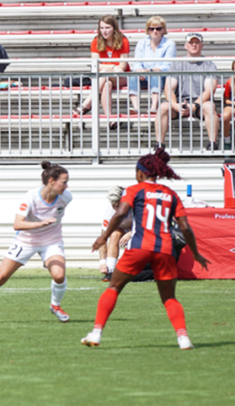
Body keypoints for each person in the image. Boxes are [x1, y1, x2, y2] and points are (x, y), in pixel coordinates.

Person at [83, 149, 210, 350]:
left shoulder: (134, 190)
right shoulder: (170, 194)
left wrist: (104, 237)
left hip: (140, 246)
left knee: (114, 287)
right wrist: (196, 254)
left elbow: (120, 213)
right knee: (169, 297)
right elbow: (185, 227)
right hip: (165, 249)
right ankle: (183, 338)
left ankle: (96, 332)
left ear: (141, 172)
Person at [0, 162, 71, 322]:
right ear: (51, 181)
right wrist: (39, 223)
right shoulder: (31, 197)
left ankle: (55, 305)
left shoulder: (66, 197)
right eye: (64, 182)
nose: (66, 186)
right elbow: (17, 224)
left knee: (59, 276)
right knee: (0, 277)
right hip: (26, 241)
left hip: (52, 241)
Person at [155, 32, 217, 151]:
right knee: (163, 107)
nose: (194, 45)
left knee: (209, 106)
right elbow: (168, 88)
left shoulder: (209, 65)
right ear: (185, 45)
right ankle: (159, 144)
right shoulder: (177, 64)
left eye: (197, 42)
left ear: (202, 45)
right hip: (179, 102)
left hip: (200, 104)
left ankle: (212, 143)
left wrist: (194, 106)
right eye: (191, 42)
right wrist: (175, 105)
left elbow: (209, 90)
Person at [75, 15, 130, 119]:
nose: (104, 31)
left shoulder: (123, 40)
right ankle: (110, 118)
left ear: (114, 28)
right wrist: (113, 66)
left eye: (108, 28)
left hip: (121, 77)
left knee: (104, 73)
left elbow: (122, 66)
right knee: (107, 84)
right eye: (102, 28)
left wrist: (107, 68)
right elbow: (96, 65)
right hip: (104, 77)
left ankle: (86, 103)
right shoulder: (96, 41)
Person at [128, 15, 176, 114]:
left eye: (158, 28)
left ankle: (154, 106)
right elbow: (137, 62)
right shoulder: (141, 43)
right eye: (151, 28)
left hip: (161, 76)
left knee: (155, 75)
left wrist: (149, 70)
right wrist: (139, 71)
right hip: (144, 75)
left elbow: (168, 66)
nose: (155, 31)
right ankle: (135, 107)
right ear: (148, 30)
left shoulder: (170, 44)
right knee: (132, 76)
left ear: (163, 30)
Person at [97, 185, 132, 282]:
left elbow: (146, 225)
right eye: (114, 205)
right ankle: (110, 270)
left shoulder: (135, 207)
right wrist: (102, 262)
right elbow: (103, 237)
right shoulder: (110, 212)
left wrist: (131, 233)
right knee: (114, 234)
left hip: (140, 230)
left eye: (118, 205)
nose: (116, 208)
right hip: (124, 230)